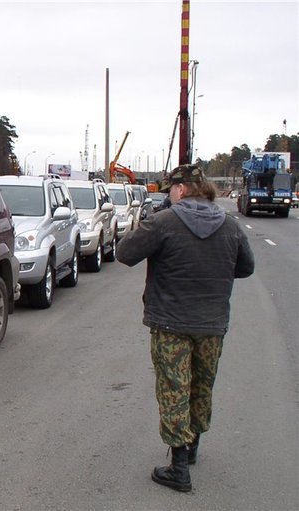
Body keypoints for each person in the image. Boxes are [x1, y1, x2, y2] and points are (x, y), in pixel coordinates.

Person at [116, 164, 255, 492]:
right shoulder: (230, 226)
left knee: (173, 389)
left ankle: (179, 467)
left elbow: (124, 253)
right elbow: (246, 268)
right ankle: (192, 447)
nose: (169, 195)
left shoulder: (164, 222)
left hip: (171, 324)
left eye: (171, 190)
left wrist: (148, 224)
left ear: (181, 189)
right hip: (212, 323)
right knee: (201, 386)